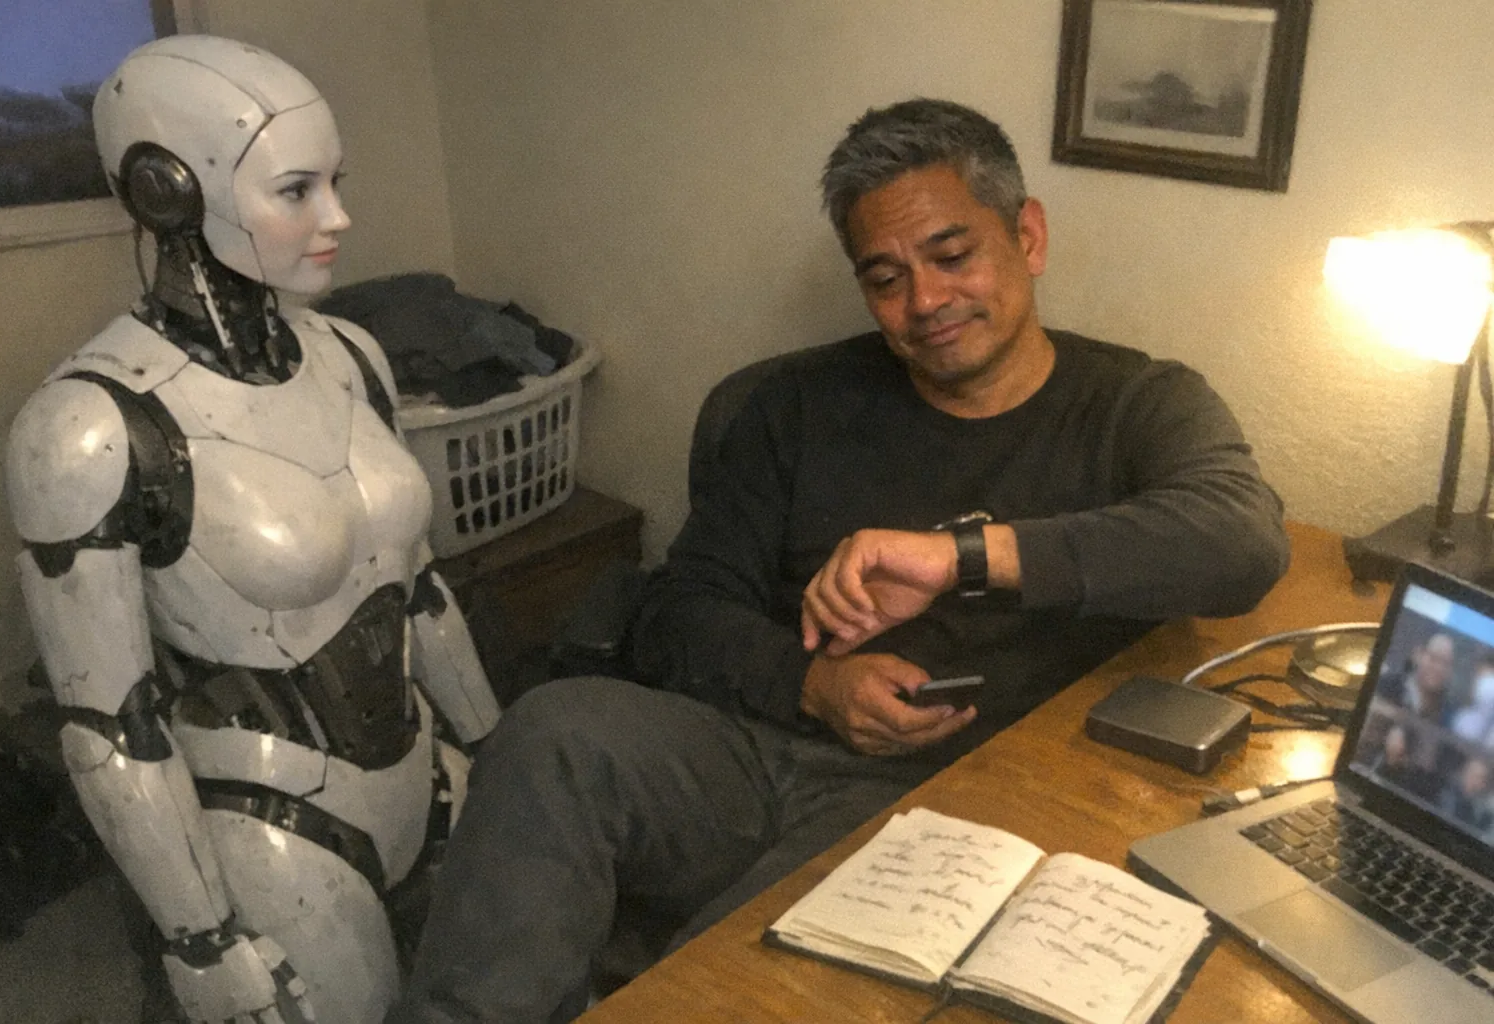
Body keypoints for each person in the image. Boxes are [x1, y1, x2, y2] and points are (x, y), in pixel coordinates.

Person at [389, 97, 1288, 1024]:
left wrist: (961, 558)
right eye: (886, 277)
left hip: (943, 809)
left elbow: (1242, 542)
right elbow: (681, 606)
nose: (926, 303)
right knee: (554, 728)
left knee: (735, 982)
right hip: (753, 749)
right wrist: (814, 683)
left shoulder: (1139, 403)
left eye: (952, 256)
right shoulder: (797, 404)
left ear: (1028, 236)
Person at [4, 36, 500, 1024]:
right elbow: (109, 724)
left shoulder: (352, 355)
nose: (338, 218)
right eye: (297, 188)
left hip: (429, 770)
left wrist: (496, 742)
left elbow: (419, 586)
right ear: (167, 189)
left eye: (336, 182)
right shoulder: (88, 430)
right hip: (270, 826)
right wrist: (201, 936)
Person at [1379, 632, 1457, 726]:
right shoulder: (1387, 685)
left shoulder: (1448, 715)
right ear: (1418, 655)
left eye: (1445, 663)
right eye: (1434, 658)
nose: (1438, 668)